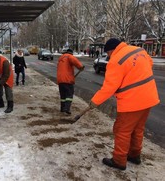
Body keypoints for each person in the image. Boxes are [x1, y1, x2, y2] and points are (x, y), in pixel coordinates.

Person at [89, 38, 160, 170]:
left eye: (108, 54)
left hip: (132, 102)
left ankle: (119, 160)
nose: (109, 56)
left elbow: (109, 87)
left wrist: (94, 101)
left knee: (122, 130)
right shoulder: (140, 50)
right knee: (137, 129)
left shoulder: (116, 61)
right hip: (149, 97)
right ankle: (134, 155)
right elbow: (149, 64)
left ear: (111, 51)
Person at [57, 48, 84, 115]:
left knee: (63, 95)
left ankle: (62, 108)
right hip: (67, 79)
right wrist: (81, 67)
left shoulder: (61, 58)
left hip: (60, 80)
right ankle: (67, 108)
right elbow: (76, 62)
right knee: (69, 94)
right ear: (71, 53)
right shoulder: (69, 56)